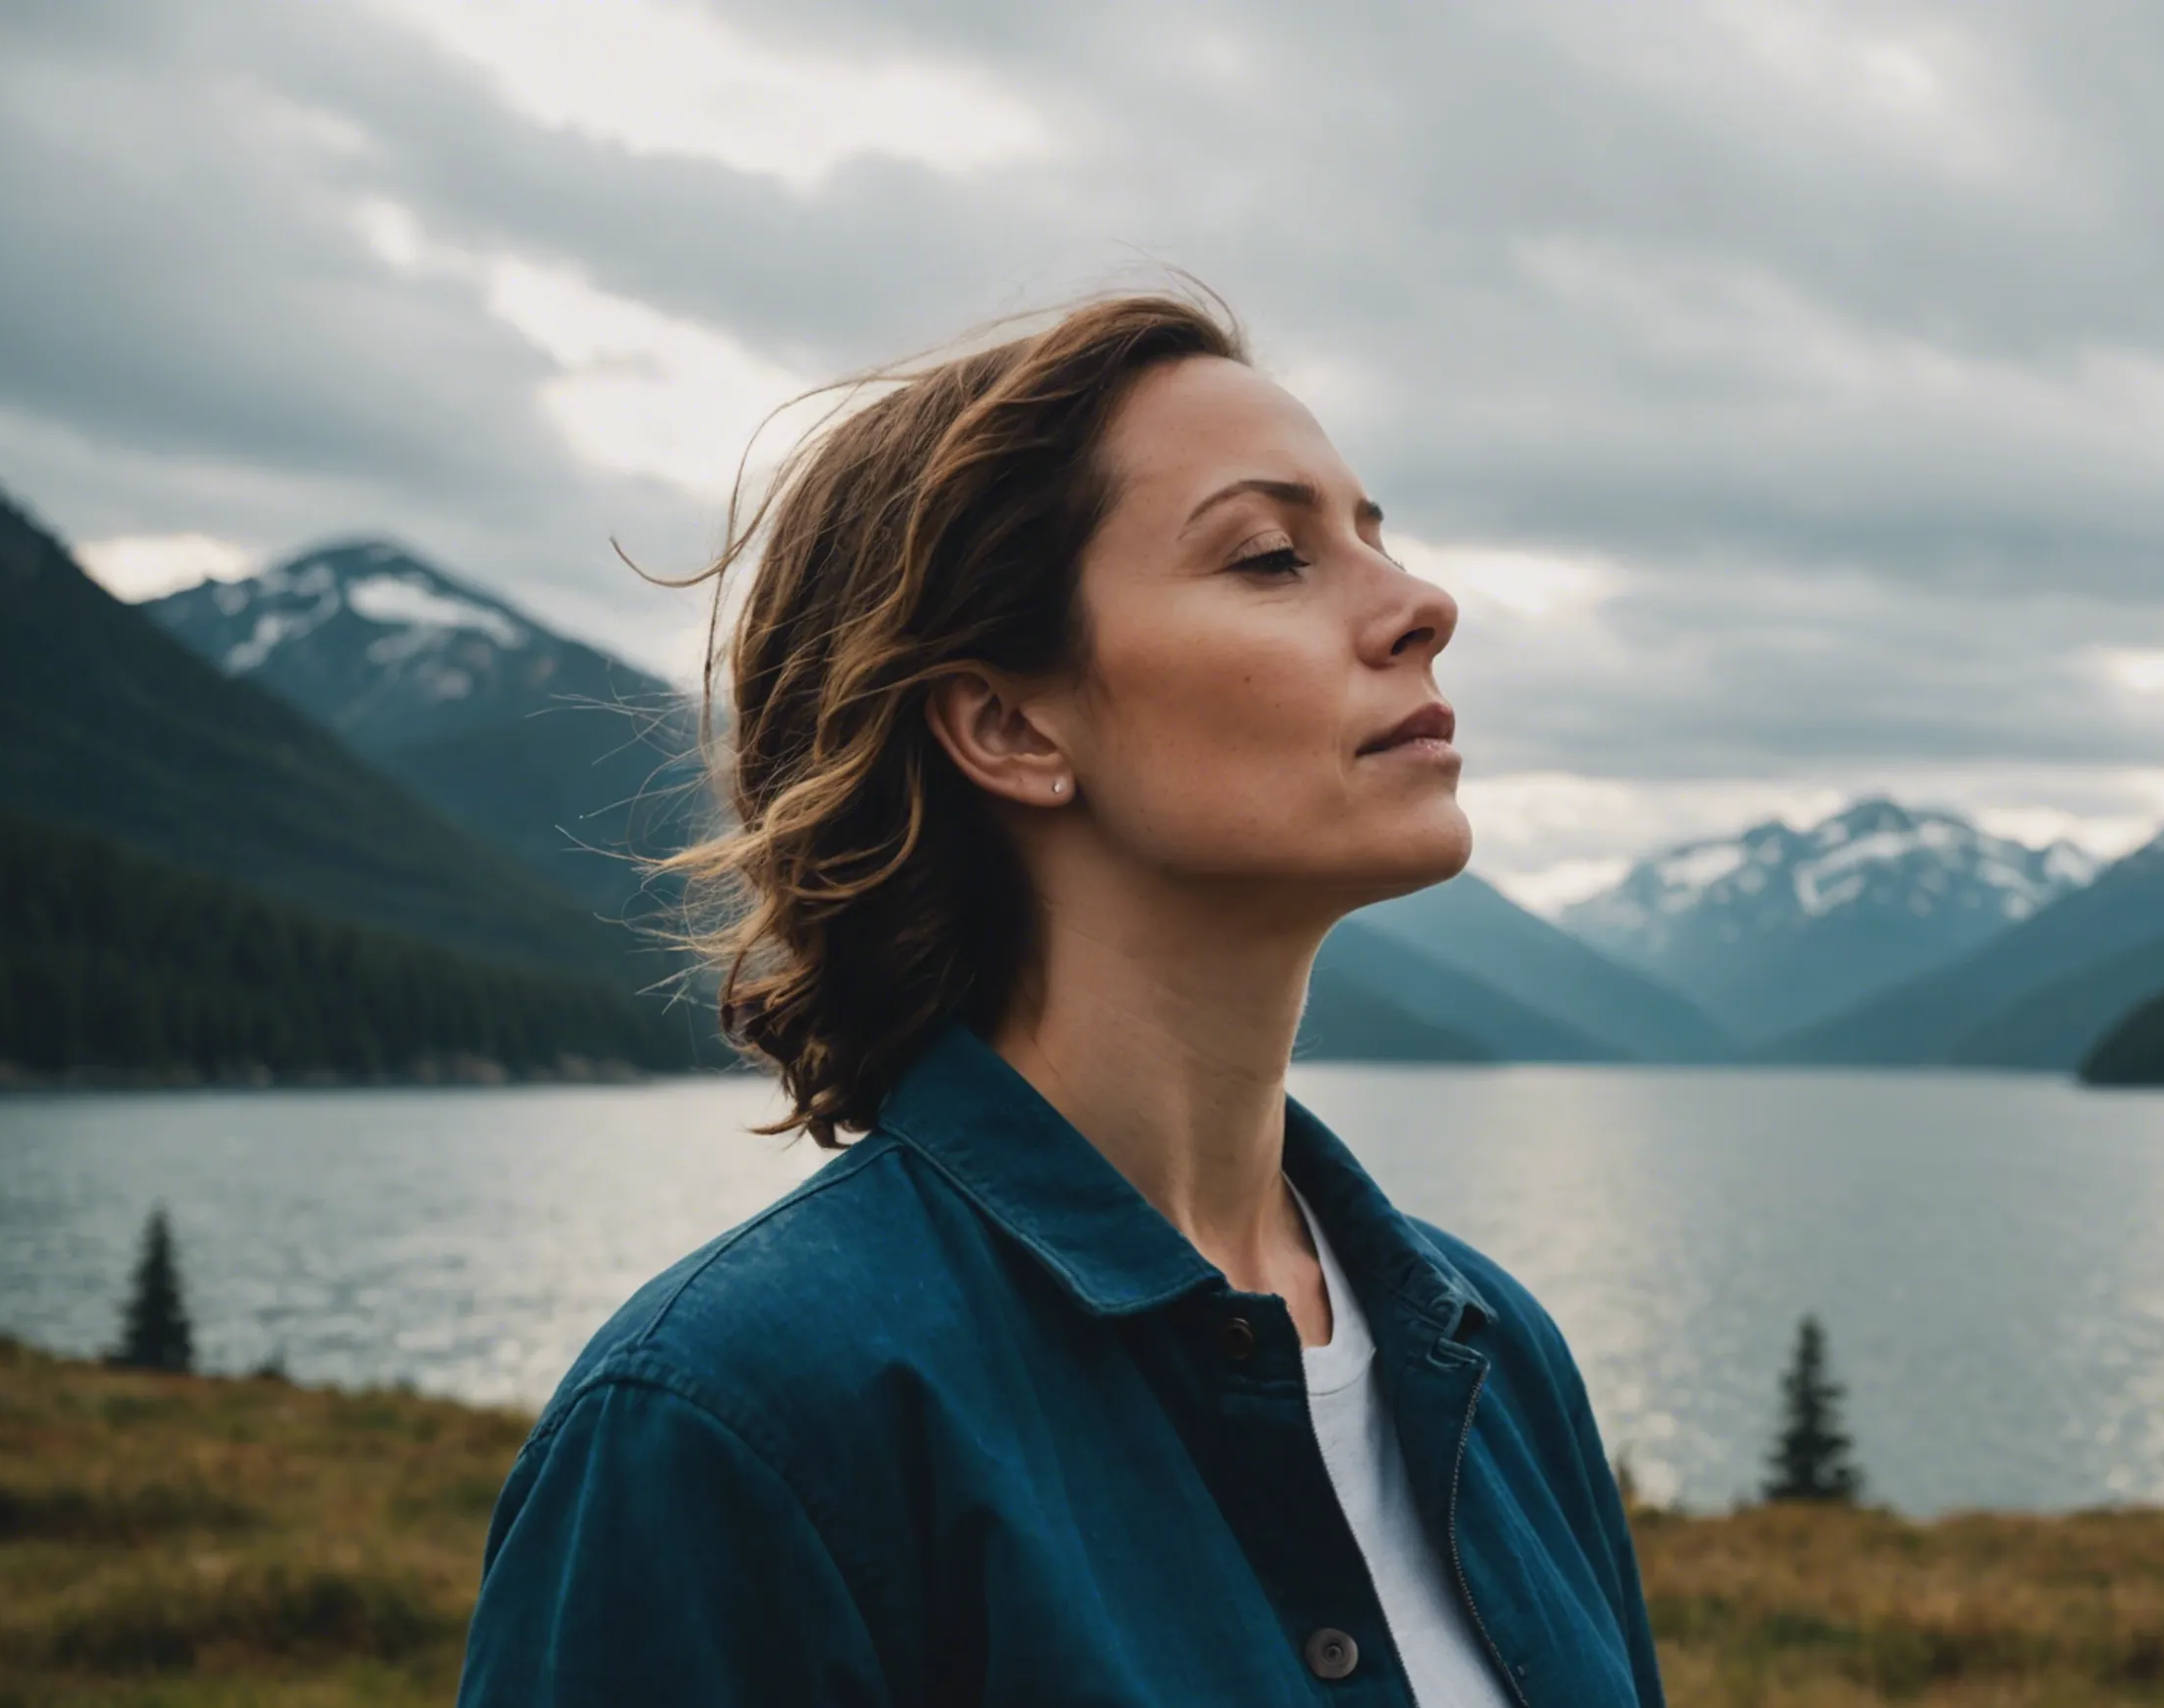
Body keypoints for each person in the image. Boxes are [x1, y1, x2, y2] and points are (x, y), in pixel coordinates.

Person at [455, 288, 1667, 1707]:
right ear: (1009, 724)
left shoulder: (1495, 1355)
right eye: (1273, 556)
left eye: (1374, 536)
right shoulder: (733, 1426)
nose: (1422, 605)